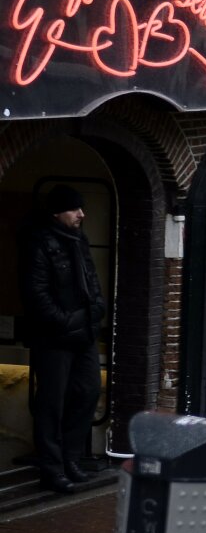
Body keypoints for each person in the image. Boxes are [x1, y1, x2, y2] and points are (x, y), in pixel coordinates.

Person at [19, 185, 105, 494]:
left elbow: (91, 281)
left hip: (83, 333)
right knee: (52, 403)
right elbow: (36, 293)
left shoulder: (77, 239)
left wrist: (96, 310)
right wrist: (65, 321)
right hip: (54, 337)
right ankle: (52, 469)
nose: (81, 214)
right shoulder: (38, 243)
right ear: (57, 212)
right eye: (74, 209)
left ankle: (71, 458)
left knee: (88, 391)